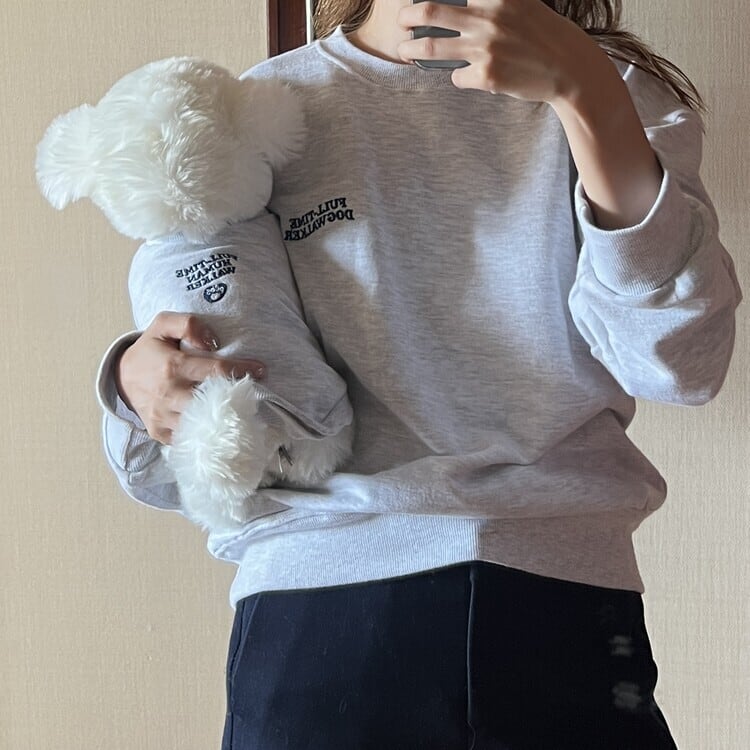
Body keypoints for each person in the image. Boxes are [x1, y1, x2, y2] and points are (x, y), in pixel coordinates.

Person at [97, 1, 743, 747]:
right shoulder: (257, 113)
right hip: (320, 607)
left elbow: (681, 363)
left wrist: (585, 91)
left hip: (563, 599)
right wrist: (134, 383)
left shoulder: (613, 88)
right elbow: (192, 459)